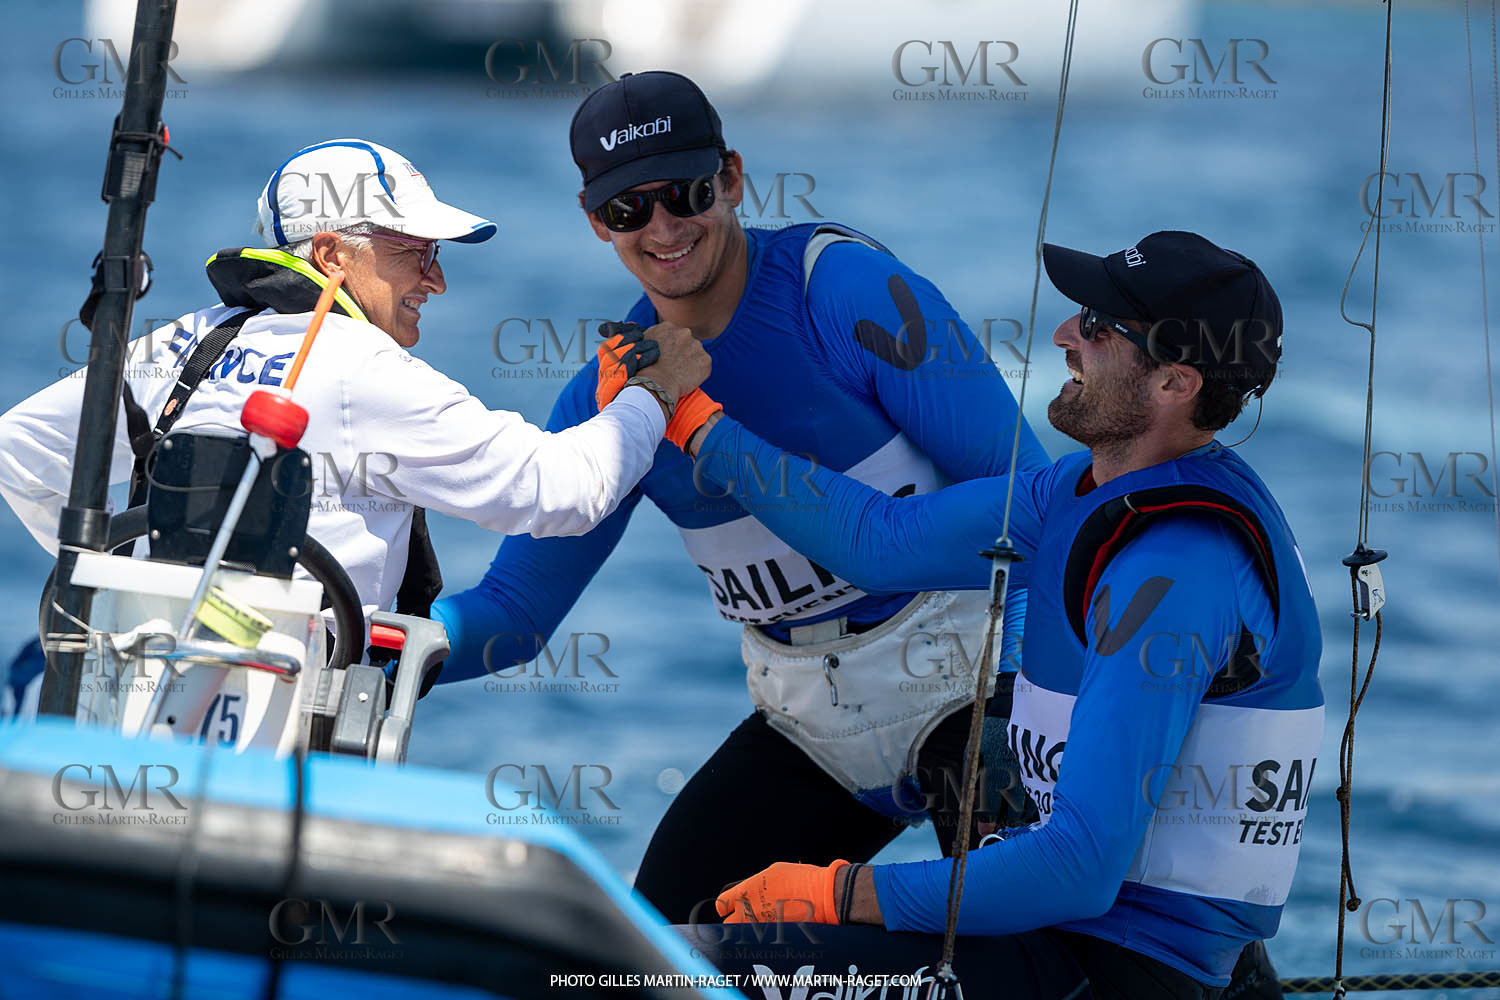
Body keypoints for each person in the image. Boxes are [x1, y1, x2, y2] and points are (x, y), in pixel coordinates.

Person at [432, 71, 1050, 921]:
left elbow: (1032, 502)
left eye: (685, 193)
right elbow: (515, 611)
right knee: (651, 959)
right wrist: (375, 645)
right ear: (594, 221)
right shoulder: (611, 398)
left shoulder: (842, 292)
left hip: (978, 689)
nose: (664, 228)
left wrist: (1027, 699)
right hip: (814, 729)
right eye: (627, 211)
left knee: (1033, 953)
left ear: (732, 178)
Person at [690, 231, 1319, 999]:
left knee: (670, 973)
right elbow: (878, 543)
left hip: (1114, 970)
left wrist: (838, 893)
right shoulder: (1075, 492)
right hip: (1062, 939)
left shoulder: (1176, 567)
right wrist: (697, 423)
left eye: (1097, 325)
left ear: (1173, 382)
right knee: (664, 955)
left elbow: (1081, 869)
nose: (1064, 335)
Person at [0, 138, 709, 635]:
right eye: (415, 253)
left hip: (135, 699)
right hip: (288, 735)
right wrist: (656, 390)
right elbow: (563, 490)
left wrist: (129, 590)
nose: (436, 279)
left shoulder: (182, 341)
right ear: (332, 254)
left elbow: (18, 454)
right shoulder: (361, 369)